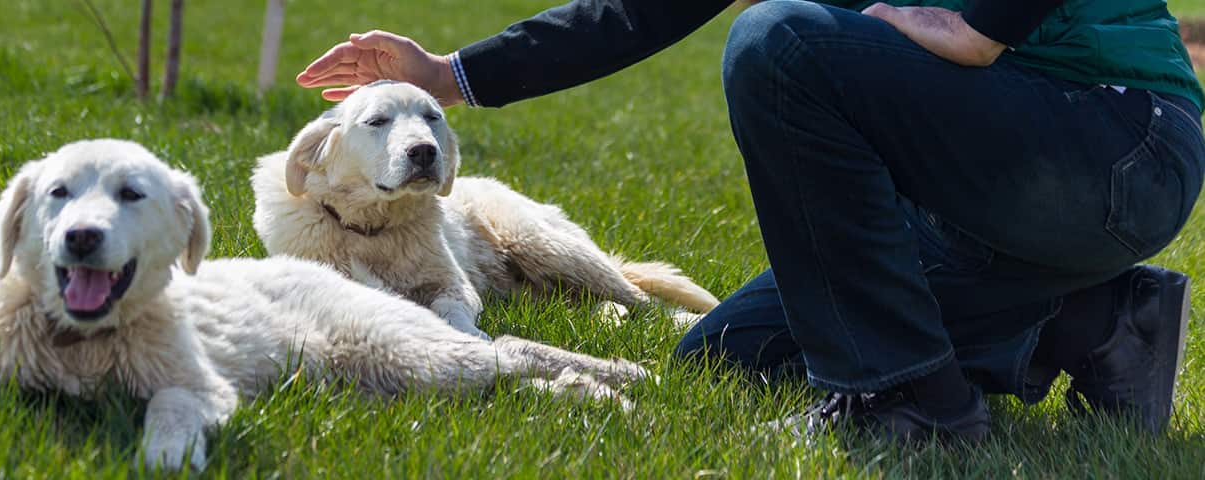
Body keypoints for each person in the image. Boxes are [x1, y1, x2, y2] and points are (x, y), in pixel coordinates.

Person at [296, 0, 1205, 443]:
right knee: (726, 359)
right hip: (996, 202)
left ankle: (903, 398)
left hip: (1119, 144)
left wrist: (979, 23)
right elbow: (637, 10)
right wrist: (451, 74)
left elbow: (962, 44)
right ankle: (1099, 323)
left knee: (781, 43)